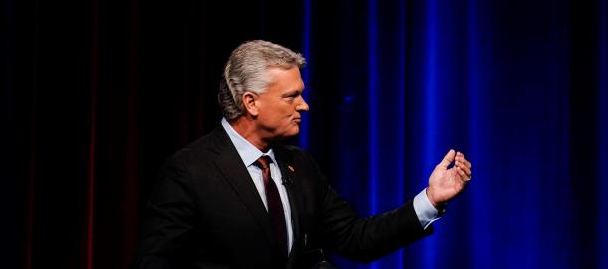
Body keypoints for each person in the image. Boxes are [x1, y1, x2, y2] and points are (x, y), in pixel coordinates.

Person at [134, 40, 472, 268]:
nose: (304, 105)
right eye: (290, 96)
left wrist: (429, 199)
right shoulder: (190, 171)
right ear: (250, 102)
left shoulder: (300, 165)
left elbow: (356, 239)